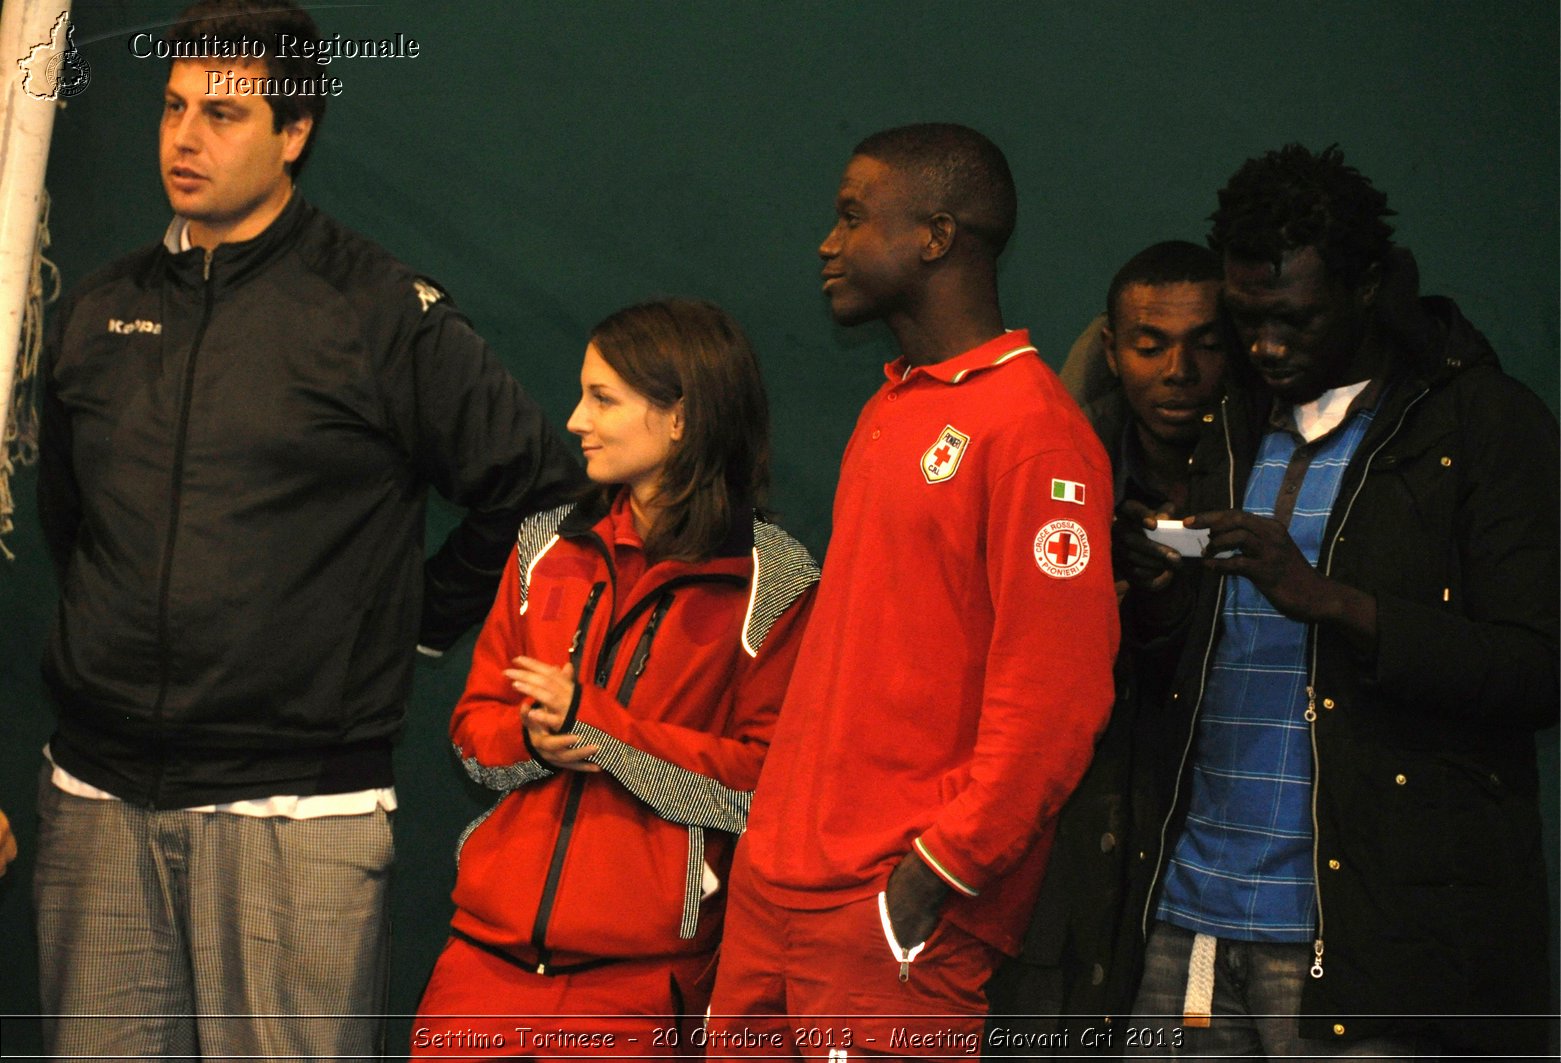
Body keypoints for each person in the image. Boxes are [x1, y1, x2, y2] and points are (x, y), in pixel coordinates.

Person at [33, 1, 580, 1058]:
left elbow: (537, 483)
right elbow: (75, 523)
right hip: (93, 798)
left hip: (297, 809)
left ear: (296, 135)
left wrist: (417, 616)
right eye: (173, 107)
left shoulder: (379, 310)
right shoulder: (99, 311)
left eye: (225, 114)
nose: (186, 138)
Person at [1128, 144, 1560, 1058]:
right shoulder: (1233, 420)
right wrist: (1160, 596)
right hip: (1191, 921)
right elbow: (1197, 662)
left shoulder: (1484, 425)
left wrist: (1330, 600)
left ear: (1368, 288)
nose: (1264, 346)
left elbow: (1543, 671)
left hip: (1367, 942)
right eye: (1244, 320)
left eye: (1293, 319)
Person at [706, 123, 1119, 1053]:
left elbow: (1058, 701)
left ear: (936, 235)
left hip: (887, 913)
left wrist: (932, 875)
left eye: (853, 218)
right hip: (778, 890)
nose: (828, 241)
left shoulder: (1035, 433)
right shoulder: (893, 407)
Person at [411, 299, 818, 1058]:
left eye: (603, 398)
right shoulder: (544, 544)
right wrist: (536, 738)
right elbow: (472, 733)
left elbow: (766, 790)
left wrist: (601, 730)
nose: (574, 419)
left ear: (681, 418)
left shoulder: (775, 577)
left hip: (636, 989)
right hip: (480, 968)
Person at [987, 241, 1231, 1044]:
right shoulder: (1060, 469)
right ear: (1113, 349)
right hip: (1061, 857)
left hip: (1214, 864)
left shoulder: (1269, 474)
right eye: (1151, 343)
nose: (1178, 370)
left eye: (1205, 341)